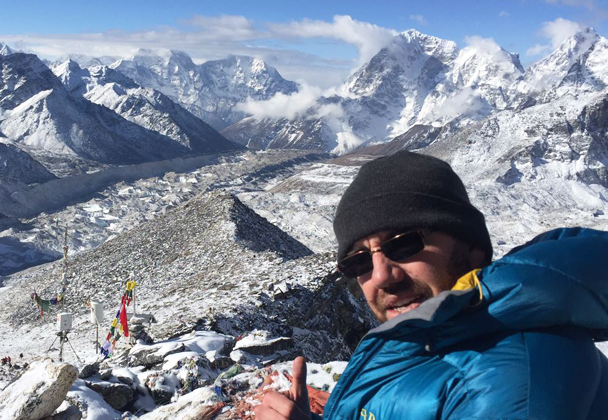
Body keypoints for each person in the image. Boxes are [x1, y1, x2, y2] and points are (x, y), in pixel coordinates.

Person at [255, 151, 608, 420]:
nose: (381, 276)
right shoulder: (429, 343)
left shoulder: (512, 380)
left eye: (404, 244)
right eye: (359, 261)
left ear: (471, 249)